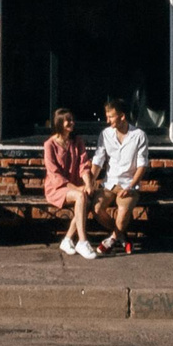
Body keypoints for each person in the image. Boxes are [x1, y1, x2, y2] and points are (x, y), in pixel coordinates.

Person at [92, 93, 149, 255]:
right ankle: (121, 236)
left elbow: (142, 165)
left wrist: (131, 186)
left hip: (129, 184)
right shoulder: (105, 134)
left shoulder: (139, 136)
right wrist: (90, 181)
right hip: (109, 183)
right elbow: (98, 160)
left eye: (111, 117)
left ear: (122, 117)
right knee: (96, 208)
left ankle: (111, 240)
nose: (107, 120)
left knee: (123, 212)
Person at [41, 107, 101, 261]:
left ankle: (67, 239)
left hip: (75, 188)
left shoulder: (77, 141)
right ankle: (82, 241)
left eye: (72, 120)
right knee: (82, 197)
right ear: (60, 123)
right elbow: (55, 175)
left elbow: (83, 165)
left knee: (85, 197)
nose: (72, 123)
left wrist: (88, 183)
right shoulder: (50, 145)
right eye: (68, 120)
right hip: (56, 188)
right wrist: (78, 188)